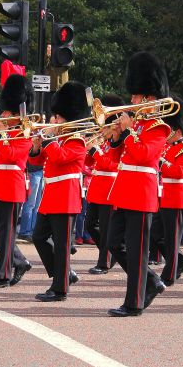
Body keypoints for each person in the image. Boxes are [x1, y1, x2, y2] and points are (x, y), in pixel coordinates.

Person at [105, 51, 171, 317]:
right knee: (113, 243)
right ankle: (151, 281)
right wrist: (115, 136)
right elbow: (117, 157)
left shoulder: (158, 127)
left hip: (141, 194)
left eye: (135, 96)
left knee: (137, 250)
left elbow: (144, 155)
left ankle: (133, 303)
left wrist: (129, 131)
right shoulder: (138, 125)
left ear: (149, 98)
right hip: (124, 192)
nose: (130, 100)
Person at [29, 81, 88, 301]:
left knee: (62, 246)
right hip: (51, 195)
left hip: (66, 197)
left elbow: (60, 158)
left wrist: (48, 141)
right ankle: (63, 275)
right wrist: (36, 146)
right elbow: (37, 161)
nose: (54, 120)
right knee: (39, 237)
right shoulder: (59, 139)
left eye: (58, 117)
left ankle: (60, 288)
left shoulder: (77, 141)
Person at [0, 74, 33, 288]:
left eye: (5, 112)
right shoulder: (6, 131)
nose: (1, 116)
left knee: (6, 232)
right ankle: (19, 261)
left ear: (16, 113)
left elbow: (14, 156)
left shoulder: (25, 132)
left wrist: (2, 136)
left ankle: (3, 275)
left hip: (12, 187)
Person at [149, 93, 183, 286]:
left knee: (172, 238)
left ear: (176, 130)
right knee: (155, 234)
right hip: (163, 196)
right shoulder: (168, 148)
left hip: (176, 198)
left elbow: (180, 172)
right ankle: (180, 260)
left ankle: (170, 274)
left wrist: (162, 161)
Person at [85, 94, 123, 274]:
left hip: (110, 187)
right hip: (97, 188)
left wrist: (96, 152)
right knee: (90, 225)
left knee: (107, 228)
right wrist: (89, 150)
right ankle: (109, 252)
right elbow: (89, 163)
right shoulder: (104, 139)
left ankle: (104, 262)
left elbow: (113, 165)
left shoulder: (119, 141)